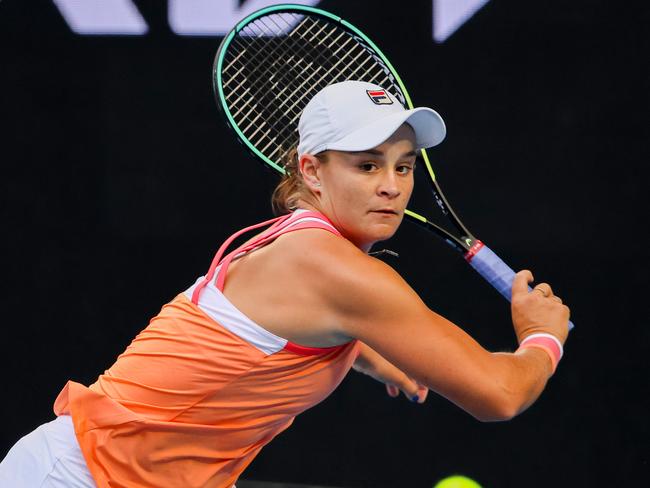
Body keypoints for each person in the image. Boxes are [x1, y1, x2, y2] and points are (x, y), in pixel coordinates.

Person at [0, 80, 570, 488]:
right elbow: (499, 395)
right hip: (79, 475)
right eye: (366, 165)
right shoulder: (338, 271)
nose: (393, 186)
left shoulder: (291, 239)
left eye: (404, 165)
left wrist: (367, 355)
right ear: (312, 170)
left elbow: (266, 333)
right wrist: (541, 338)